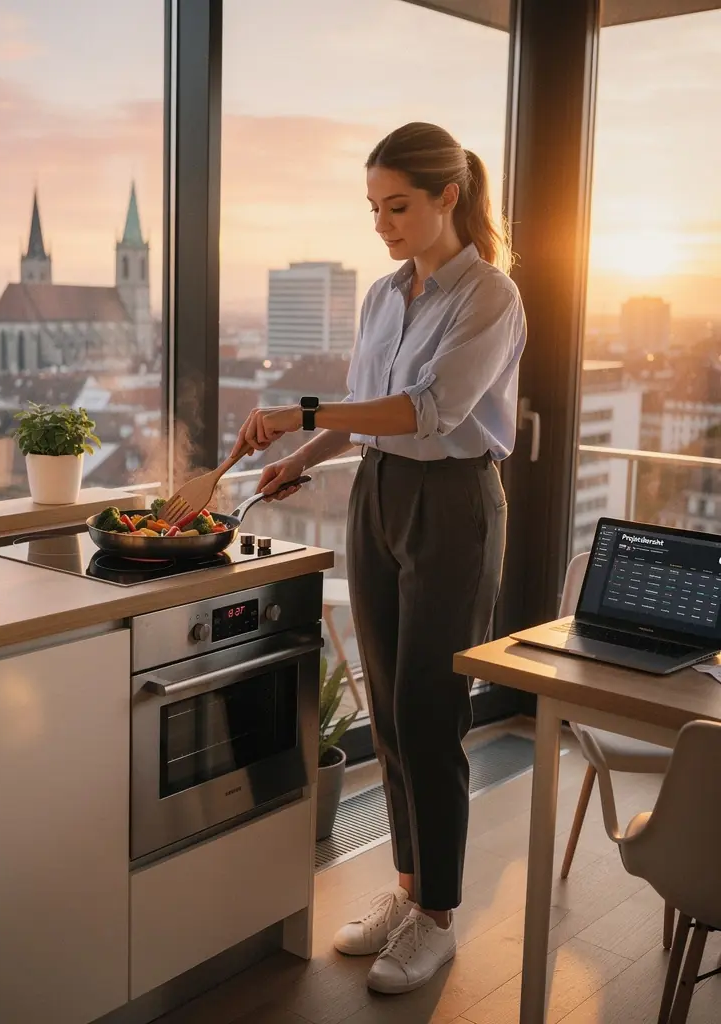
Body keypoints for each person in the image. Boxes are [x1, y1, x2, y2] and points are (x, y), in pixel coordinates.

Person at [231, 121, 526, 995]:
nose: (382, 224)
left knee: (430, 713)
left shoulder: (490, 295)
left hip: (453, 503)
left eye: (397, 206)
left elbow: (428, 411)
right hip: (380, 494)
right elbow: (368, 408)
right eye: (373, 207)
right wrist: (302, 455)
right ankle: (408, 890)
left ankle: (437, 918)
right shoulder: (383, 296)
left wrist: (300, 411)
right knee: (390, 711)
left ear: (448, 197)